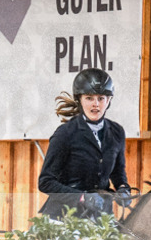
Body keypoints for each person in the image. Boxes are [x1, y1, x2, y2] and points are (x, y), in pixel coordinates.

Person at [38, 68, 133, 220]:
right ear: (80, 100)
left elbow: (118, 173)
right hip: (64, 216)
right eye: (89, 98)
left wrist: (123, 189)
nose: (96, 104)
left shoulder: (117, 132)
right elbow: (45, 182)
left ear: (108, 101)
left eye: (101, 98)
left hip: (101, 215)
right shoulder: (65, 133)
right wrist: (81, 197)